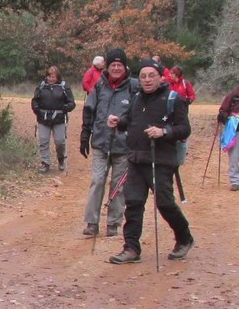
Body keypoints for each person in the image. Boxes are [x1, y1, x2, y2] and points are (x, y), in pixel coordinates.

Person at [106, 58, 193, 264]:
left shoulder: (173, 99)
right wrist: (119, 122)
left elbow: (184, 128)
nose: (147, 80)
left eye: (151, 76)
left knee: (164, 203)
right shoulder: (136, 98)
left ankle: (184, 238)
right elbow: (131, 122)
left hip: (160, 160)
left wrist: (164, 131)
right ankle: (131, 248)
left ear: (160, 77)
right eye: (143, 76)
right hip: (136, 159)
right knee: (133, 203)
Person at [80, 48, 136, 237]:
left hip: (124, 145)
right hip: (101, 143)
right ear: (108, 66)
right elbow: (89, 110)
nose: (116, 68)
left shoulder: (133, 87)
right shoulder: (99, 86)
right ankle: (91, 222)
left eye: (120, 65)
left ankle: (113, 222)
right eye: (113, 65)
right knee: (97, 181)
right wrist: (85, 135)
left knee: (118, 185)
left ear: (125, 67)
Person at [31, 65, 76, 173]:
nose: (51, 79)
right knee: (43, 141)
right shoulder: (41, 86)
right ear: (46, 76)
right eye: (49, 76)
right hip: (43, 119)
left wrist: (65, 108)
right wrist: (36, 108)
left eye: (53, 77)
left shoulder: (64, 87)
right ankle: (45, 163)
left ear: (58, 77)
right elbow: (35, 100)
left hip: (59, 119)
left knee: (60, 141)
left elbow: (71, 103)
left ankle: (61, 159)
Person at [166, 66, 196, 166]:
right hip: (169, 110)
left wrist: (188, 100)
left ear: (177, 75)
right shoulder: (168, 83)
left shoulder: (185, 83)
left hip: (182, 110)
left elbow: (192, 95)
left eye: (172, 73)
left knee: (183, 127)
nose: (170, 75)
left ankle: (183, 149)